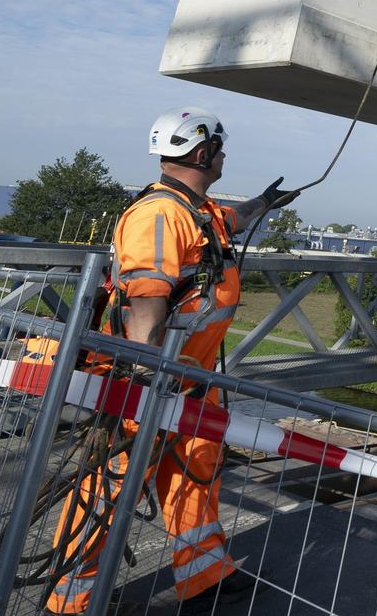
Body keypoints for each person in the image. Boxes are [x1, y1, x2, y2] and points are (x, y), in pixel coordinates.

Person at [45, 107, 297, 615]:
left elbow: (235, 219)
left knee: (195, 470)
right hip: (149, 381)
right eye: (220, 150)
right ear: (202, 153)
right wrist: (142, 376)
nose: (224, 158)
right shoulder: (160, 215)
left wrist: (266, 202)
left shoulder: (196, 211)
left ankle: (203, 574)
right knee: (109, 485)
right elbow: (146, 299)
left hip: (188, 381)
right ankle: (69, 599)